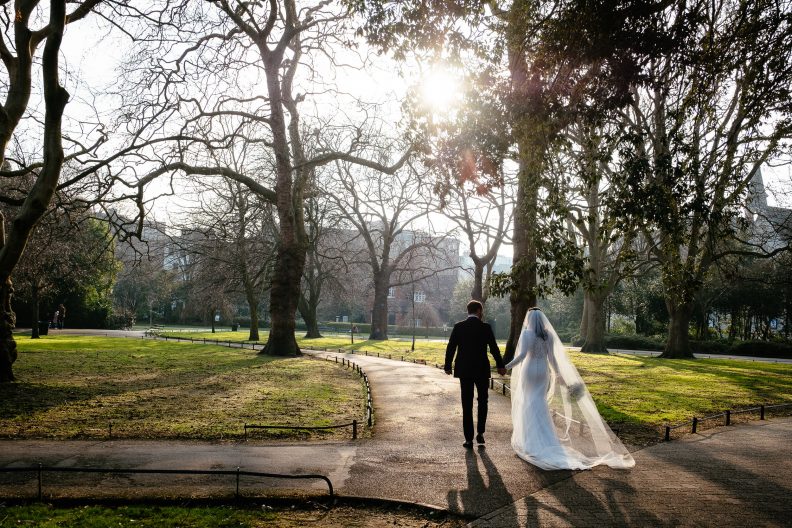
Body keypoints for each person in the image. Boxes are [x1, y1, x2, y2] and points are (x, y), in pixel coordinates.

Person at [506, 308, 635, 470]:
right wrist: (558, 374)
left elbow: (522, 355)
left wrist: (507, 366)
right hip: (543, 373)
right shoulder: (549, 335)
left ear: (529, 319)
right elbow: (552, 358)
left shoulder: (526, 334)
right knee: (539, 403)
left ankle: (529, 442)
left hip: (529, 371)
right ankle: (547, 441)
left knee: (528, 403)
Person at [445, 300, 506, 448]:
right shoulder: (485, 327)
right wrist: (500, 365)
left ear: (468, 311)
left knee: (467, 404)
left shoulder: (459, 327)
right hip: (481, 369)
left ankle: (468, 439)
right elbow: (494, 348)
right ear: (479, 310)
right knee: (482, 401)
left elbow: (451, 347)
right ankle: (480, 433)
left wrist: (448, 366)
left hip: (464, 370)